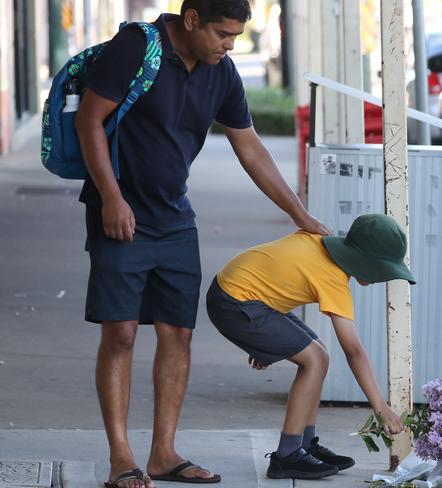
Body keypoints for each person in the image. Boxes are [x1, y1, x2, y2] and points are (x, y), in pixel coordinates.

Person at [74, 1, 329, 487]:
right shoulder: (135, 48)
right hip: (119, 216)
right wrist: (110, 197)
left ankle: (163, 454)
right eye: (222, 33)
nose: (229, 44)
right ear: (191, 20)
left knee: (178, 335)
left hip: (175, 219)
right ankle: (121, 457)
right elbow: (90, 120)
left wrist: (301, 215)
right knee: (121, 334)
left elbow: (249, 146)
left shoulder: (222, 73)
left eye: (235, 36)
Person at [206, 213, 416, 480]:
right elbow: (353, 350)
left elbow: (277, 273)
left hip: (242, 293)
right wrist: (380, 406)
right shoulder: (333, 278)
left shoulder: (322, 241)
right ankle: (287, 456)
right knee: (314, 360)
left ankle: (305, 445)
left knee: (320, 354)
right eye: (382, 270)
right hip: (234, 303)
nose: (382, 277)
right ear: (365, 262)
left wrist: (264, 341)